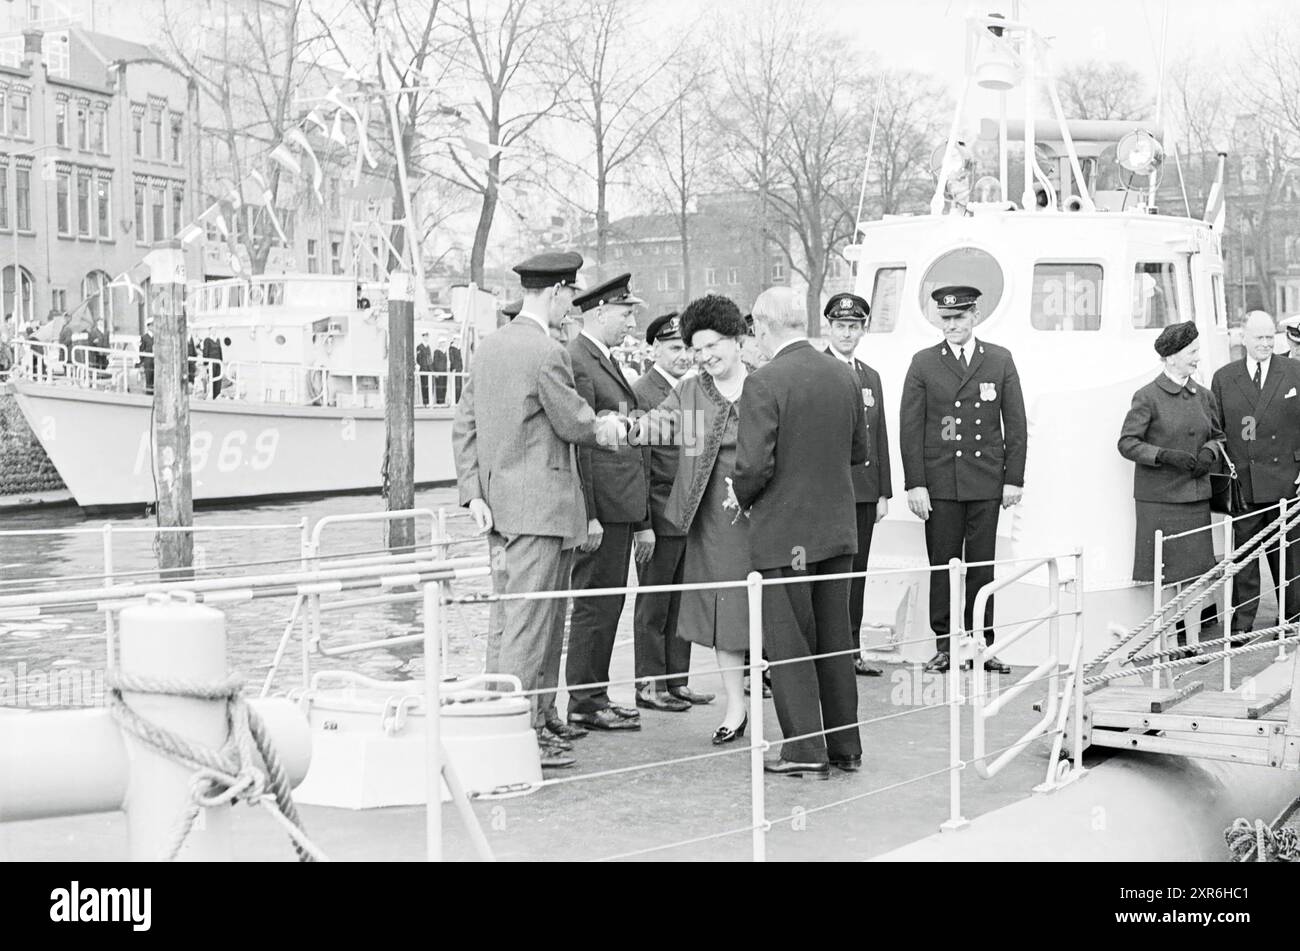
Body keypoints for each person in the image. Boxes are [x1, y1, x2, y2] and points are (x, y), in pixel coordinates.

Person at [452, 250, 626, 769]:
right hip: (541, 510)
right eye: (570, 296)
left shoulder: (488, 349)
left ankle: (509, 715)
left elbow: (465, 426)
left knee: (508, 619)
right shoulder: (547, 352)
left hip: (500, 510)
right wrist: (617, 429)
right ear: (554, 292)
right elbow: (574, 423)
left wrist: (473, 494)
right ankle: (521, 732)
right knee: (534, 621)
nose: (571, 307)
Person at [734, 286, 866, 779]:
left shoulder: (763, 382)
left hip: (783, 535)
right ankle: (844, 746)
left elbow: (751, 464)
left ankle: (805, 751)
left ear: (764, 326)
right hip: (836, 530)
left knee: (790, 646)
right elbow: (858, 451)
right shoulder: (843, 375)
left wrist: (740, 495)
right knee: (835, 641)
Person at [637, 296, 753, 740]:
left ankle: (782, 694)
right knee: (724, 612)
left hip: (764, 516)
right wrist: (620, 428)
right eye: (697, 349)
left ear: (737, 339)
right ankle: (735, 707)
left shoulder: (765, 385)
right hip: (711, 520)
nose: (705, 357)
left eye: (713, 346)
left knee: (770, 608)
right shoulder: (689, 390)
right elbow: (658, 424)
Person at [901, 285, 1026, 675]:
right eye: (946, 319)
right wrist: (915, 483)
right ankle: (946, 645)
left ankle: (982, 643)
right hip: (941, 482)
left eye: (959, 318)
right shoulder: (924, 363)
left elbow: (1016, 424)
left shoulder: (999, 360)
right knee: (943, 564)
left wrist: (1013, 478)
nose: (952, 325)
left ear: (975, 315)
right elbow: (911, 427)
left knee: (982, 566)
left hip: (986, 480)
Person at [565, 272, 655, 732]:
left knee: (608, 605)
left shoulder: (600, 358)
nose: (631, 322)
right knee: (595, 606)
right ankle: (583, 701)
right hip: (603, 509)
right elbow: (581, 442)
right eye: (626, 313)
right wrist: (591, 515)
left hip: (619, 507)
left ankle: (595, 694)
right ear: (600, 312)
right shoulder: (579, 360)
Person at [1119, 320, 1224, 658]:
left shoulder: (1203, 396)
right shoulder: (1147, 396)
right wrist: (1163, 455)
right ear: (1172, 357)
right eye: (1192, 353)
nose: (1197, 359)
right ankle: (1166, 645)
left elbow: (1218, 435)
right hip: (1159, 500)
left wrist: (1209, 452)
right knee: (1164, 578)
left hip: (1194, 497)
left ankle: (1193, 643)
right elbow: (1127, 443)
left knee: (1195, 577)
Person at [630, 311, 716, 713]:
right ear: (655, 350)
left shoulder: (695, 389)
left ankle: (676, 681)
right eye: (674, 348)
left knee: (680, 600)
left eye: (687, 348)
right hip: (658, 511)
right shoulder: (641, 393)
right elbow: (639, 463)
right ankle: (648, 684)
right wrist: (642, 525)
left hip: (686, 512)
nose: (683, 356)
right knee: (654, 603)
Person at [1212, 310, 1300, 641]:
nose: (1264, 344)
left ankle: (1291, 621)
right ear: (1243, 338)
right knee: (1246, 558)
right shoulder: (1224, 378)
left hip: (1287, 482)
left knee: (1289, 559)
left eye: (1269, 337)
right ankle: (1242, 625)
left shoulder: (1294, 372)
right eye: (1258, 337)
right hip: (1244, 485)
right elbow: (1217, 430)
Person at [823, 293, 893, 677]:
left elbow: (878, 434)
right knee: (833, 575)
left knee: (858, 572)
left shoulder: (870, 376)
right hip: (830, 490)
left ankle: (852, 649)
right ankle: (830, 653)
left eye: (853, 327)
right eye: (840, 326)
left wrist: (883, 490)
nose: (846, 333)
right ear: (829, 328)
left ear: (863, 329)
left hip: (864, 491)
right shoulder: (818, 369)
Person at [416, 332, 434, 407]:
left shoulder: (428, 347)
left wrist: (431, 368)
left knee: (429, 385)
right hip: (423, 368)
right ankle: (425, 402)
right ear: (423, 337)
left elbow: (430, 358)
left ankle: (429, 401)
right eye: (425, 336)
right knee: (424, 385)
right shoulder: (419, 347)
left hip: (428, 369)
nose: (426, 338)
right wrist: (420, 366)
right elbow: (418, 358)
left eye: (427, 336)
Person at [138, 316, 155, 394]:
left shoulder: (157, 337)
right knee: (149, 379)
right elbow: (141, 350)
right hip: (148, 361)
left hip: (155, 361)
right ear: (148, 326)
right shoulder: (144, 338)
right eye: (151, 325)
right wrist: (142, 362)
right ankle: (148, 394)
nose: (153, 327)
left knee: (155, 379)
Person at [432, 336, 450, 405]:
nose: (443, 344)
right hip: (439, 372)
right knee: (439, 387)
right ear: (439, 343)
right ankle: (439, 402)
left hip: (444, 372)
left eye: (444, 342)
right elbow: (435, 362)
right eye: (442, 343)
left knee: (444, 387)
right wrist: (436, 372)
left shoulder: (445, 351)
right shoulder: (437, 351)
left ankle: (443, 401)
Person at [449, 338, 464, 403]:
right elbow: (451, 358)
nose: (457, 341)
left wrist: (461, 367)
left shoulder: (458, 348)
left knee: (459, 385)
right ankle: (455, 400)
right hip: (455, 369)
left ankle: (458, 400)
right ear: (454, 340)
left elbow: (460, 359)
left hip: (459, 369)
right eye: (456, 339)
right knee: (455, 385)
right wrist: (454, 368)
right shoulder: (451, 348)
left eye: (458, 339)